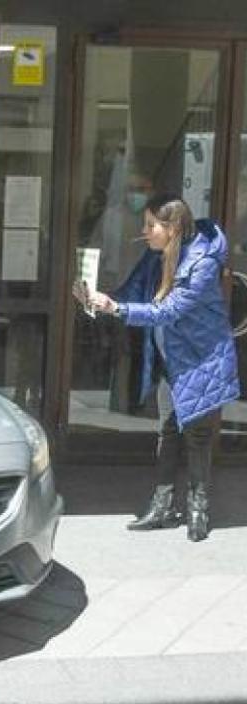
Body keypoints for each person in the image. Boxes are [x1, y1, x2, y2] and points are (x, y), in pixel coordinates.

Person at [77, 193, 240, 542]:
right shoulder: (157, 256)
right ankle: (163, 505)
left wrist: (116, 309)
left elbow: (169, 311)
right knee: (168, 429)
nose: (144, 230)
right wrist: (97, 298)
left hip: (202, 359)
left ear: (172, 228)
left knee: (197, 435)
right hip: (172, 360)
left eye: (151, 225)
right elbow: (130, 291)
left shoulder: (202, 262)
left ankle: (199, 508)